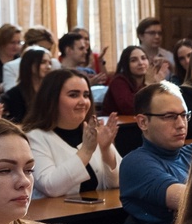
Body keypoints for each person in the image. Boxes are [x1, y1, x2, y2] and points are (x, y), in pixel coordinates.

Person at [22, 69, 121, 198]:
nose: (83, 102)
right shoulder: (34, 137)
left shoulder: (93, 131)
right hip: (55, 217)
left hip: (99, 214)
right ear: (51, 99)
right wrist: (86, 151)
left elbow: (119, 182)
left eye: (86, 95)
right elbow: (50, 187)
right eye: (73, 95)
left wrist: (106, 149)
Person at [120, 82, 192, 224]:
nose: (181, 124)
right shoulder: (135, 163)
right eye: (169, 116)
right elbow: (191, 201)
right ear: (143, 122)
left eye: (184, 115)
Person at [102, 45, 168, 115]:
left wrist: (160, 85)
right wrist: (149, 84)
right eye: (134, 60)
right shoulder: (118, 81)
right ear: (126, 64)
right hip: (119, 124)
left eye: (143, 58)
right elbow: (130, 108)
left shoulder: (150, 80)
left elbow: (162, 105)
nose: (141, 63)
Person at [1, 47, 49, 124]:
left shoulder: (51, 90)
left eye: (49, 63)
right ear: (30, 64)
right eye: (43, 62)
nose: (48, 67)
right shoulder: (14, 94)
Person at [2, 27, 55, 91]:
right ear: (29, 47)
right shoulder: (11, 67)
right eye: (41, 48)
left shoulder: (54, 64)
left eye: (48, 49)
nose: (45, 52)